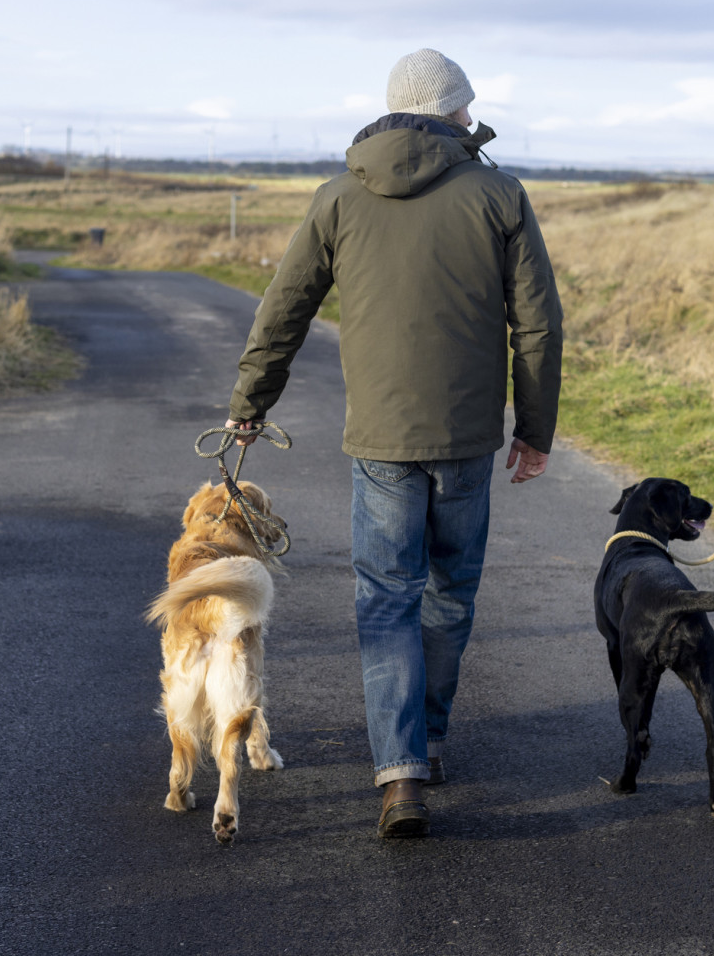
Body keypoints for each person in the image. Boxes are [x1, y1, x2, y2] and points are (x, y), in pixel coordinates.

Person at [224, 48, 564, 838]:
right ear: (454, 112)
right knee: (448, 590)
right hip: (467, 435)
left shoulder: (338, 195)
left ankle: (400, 769)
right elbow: (537, 325)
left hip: (379, 436)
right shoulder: (499, 194)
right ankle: (429, 739)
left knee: (384, 597)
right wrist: (535, 430)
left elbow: (285, 309)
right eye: (468, 108)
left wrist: (249, 402)